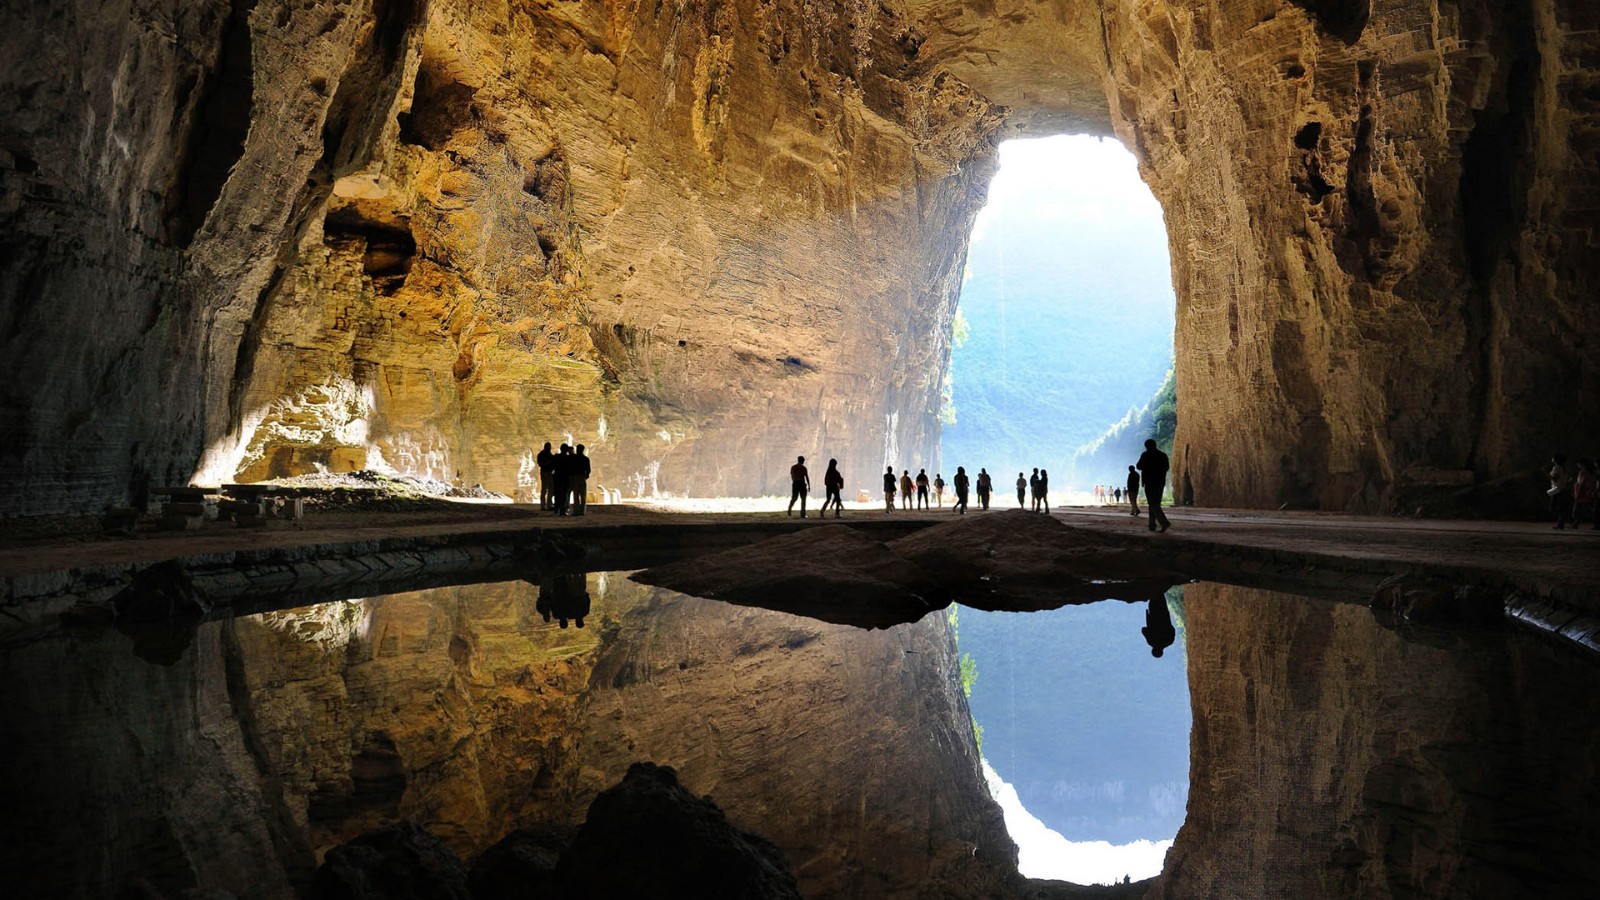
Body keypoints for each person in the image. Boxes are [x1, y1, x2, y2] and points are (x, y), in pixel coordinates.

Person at [1137, 439, 1171, 532]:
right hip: (1160, 483)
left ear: (1146, 446)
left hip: (1149, 482)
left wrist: (1148, 467)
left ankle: (1164, 522)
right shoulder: (1162, 455)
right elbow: (1166, 467)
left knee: (1152, 504)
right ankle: (1152, 524)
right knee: (1155, 503)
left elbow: (1138, 466)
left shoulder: (1145, 455)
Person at [1549, 454, 1574, 529]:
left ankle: (1563, 518)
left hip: (1556, 488)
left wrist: (1546, 473)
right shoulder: (1563, 468)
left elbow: (1555, 479)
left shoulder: (1557, 468)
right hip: (1560, 488)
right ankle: (1561, 522)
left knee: (1553, 506)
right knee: (1558, 506)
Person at [1575, 458, 1598, 530]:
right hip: (1587, 492)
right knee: (1583, 508)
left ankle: (1577, 522)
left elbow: (1581, 484)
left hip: (1583, 492)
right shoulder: (1589, 472)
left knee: (1578, 509)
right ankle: (1576, 523)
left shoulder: (1583, 473)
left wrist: (1578, 493)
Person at [552, 443, 574, 516]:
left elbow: (553, 465)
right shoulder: (568, 458)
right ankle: (562, 510)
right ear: (567, 450)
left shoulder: (556, 457)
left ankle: (556, 508)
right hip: (565, 477)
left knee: (557, 493)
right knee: (564, 494)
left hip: (557, 476)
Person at [572, 444, 591, 515]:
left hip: (575, 477)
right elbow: (588, 470)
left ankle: (576, 511)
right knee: (583, 495)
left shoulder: (574, 458)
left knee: (576, 495)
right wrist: (585, 476)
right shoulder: (586, 459)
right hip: (582, 477)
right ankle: (582, 511)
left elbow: (571, 468)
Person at [536, 441, 555, 510]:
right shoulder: (545, 454)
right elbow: (541, 463)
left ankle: (545, 505)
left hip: (546, 472)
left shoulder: (542, 454)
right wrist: (549, 464)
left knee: (547, 489)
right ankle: (547, 505)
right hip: (546, 472)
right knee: (547, 489)